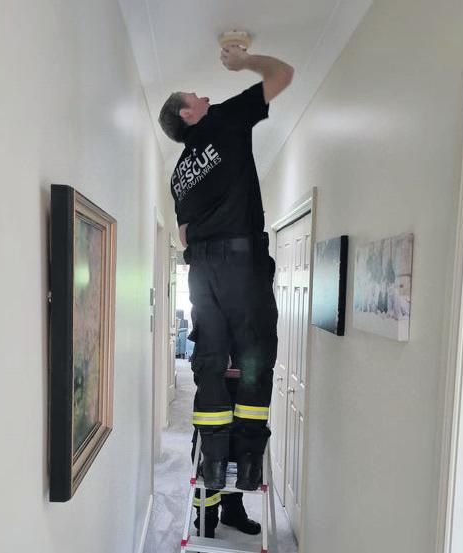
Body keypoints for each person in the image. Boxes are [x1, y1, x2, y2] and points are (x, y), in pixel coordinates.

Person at [158, 44, 294, 491]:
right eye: (195, 96)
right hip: (239, 262)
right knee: (254, 354)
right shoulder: (224, 120)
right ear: (188, 114)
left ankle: (215, 465)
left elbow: (183, 236)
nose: (204, 96)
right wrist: (244, 63)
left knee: (211, 361)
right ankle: (249, 464)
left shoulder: (179, 174)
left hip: (202, 271)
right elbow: (283, 74)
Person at [190, 359, 261, 539]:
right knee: (210, 462)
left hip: (243, 392)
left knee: (236, 457)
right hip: (212, 393)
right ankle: (206, 522)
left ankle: (232, 512)